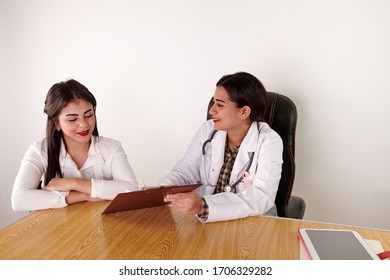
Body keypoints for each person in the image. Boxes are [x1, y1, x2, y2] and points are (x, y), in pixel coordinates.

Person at [161, 72, 283, 223]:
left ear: (244, 112)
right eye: (213, 103)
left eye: (219, 104)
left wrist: (203, 206)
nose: (211, 110)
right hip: (207, 221)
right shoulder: (208, 130)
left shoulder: (269, 141)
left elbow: (260, 196)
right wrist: (161, 192)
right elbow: (184, 173)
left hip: (251, 225)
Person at [12, 79, 138, 211]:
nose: (84, 124)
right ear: (56, 123)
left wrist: (73, 183)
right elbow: (18, 200)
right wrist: (80, 196)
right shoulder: (39, 150)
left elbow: (130, 189)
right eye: (72, 119)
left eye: (89, 115)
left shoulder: (112, 148)